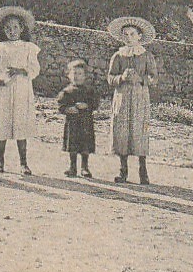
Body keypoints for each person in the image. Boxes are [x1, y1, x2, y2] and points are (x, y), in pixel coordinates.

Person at [0, 6, 41, 174]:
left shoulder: (29, 47)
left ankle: (23, 163)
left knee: (20, 123)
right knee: (2, 122)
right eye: (8, 28)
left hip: (21, 89)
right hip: (2, 90)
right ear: (3, 30)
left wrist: (20, 71)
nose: (12, 31)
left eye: (15, 27)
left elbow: (35, 69)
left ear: (21, 28)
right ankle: (0, 160)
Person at [107, 16, 158, 184]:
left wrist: (140, 78)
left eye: (132, 34)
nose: (129, 38)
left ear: (139, 36)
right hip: (122, 97)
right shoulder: (118, 56)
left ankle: (143, 170)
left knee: (139, 130)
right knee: (122, 131)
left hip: (139, 98)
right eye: (126, 35)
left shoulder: (146, 56)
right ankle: (123, 170)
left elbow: (154, 78)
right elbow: (110, 78)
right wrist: (121, 77)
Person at [57, 59, 98, 178]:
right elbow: (61, 105)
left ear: (85, 76)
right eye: (74, 73)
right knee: (72, 145)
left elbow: (95, 103)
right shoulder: (67, 92)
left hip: (86, 123)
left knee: (85, 145)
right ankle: (72, 167)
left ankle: (85, 167)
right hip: (72, 124)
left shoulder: (89, 91)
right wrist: (67, 109)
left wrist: (87, 106)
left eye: (80, 74)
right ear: (69, 75)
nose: (77, 76)